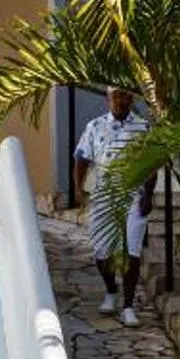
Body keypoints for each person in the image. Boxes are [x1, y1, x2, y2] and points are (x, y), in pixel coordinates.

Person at [71, 85, 154, 325]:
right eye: (117, 95)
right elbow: (81, 158)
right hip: (102, 197)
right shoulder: (94, 126)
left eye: (126, 95)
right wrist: (79, 190)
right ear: (109, 98)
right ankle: (111, 291)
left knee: (132, 251)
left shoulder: (143, 127)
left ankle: (128, 306)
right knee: (101, 251)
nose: (122, 100)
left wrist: (148, 195)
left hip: (133, 197)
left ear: (132, 98)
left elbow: (150, 165)